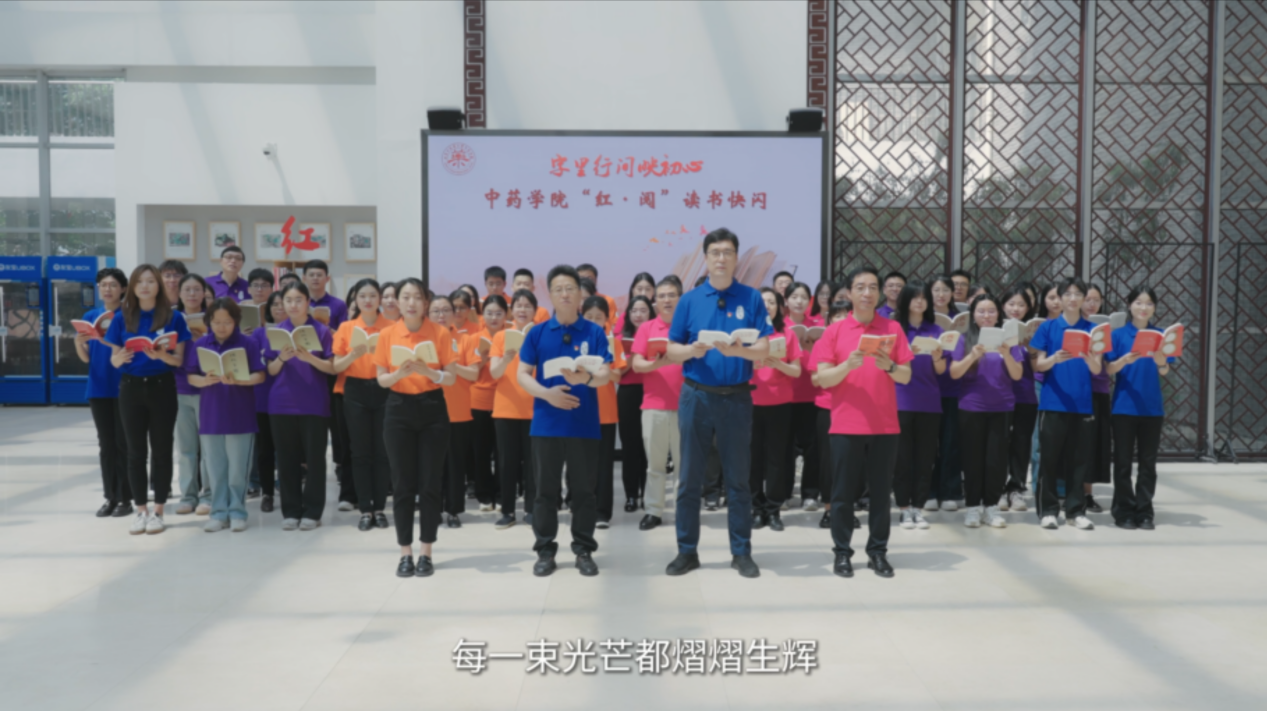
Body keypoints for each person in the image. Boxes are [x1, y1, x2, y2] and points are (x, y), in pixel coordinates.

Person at [664, 228, 773, 579]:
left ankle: (741, 552)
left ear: (736, 258)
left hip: (737, 398)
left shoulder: (751, 298)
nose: (721, 258)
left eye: (727, 252)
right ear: (706, 258)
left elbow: (764, 348)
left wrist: (738, 350)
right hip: (696, 396)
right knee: (689, 479)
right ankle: (686, 551)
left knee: (738, 480)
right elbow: (671, 350)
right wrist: (691, 350)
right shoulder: (689, 300)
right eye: (715, 252)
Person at [812, 267, 912, 578]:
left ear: (879, 293)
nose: (867, 293)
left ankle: (877, 552)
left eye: (872, 287)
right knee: (842, 494)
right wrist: (847, 365)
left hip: (884, 424)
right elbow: (821, 378)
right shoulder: (834, 331)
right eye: (860, 287)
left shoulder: (892, 328)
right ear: (850, 293)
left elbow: (906, 376)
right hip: (845, 424)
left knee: (881, 494)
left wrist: (889, 365)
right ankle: (842, 553)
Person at [515, 265, 613, 577]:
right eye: (558, 289)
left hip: (583, 423)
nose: (565, 294)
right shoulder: (537, 332)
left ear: (580, 293)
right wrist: (547, 395)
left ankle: (583, 549)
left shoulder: (594, 332)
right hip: (547, 423)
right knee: (545, 491)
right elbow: (522, 374)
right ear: (550, 294)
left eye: (570, 288)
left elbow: (605, 374)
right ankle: (545, 550)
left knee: (583, 491)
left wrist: (586, 378)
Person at [374, 278, 463, 577]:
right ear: (397, 302)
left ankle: (426, 551)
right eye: (405, 297)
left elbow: (451, 377)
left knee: (429, 483)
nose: (411, 303)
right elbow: (381, 379)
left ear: (426, 302)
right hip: (398, 409)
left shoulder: (440, 333)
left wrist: (430, 372)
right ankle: (405, 552)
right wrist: (398, 374)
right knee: (402, 483)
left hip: (432, 409)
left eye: (417, 297)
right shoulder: (387, 334)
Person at [105, 264, 193, 535]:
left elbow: (179, 360)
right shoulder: (122, 317)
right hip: (130, 389)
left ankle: (159, 511)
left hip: (162, 387)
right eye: (140, 281)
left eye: (150, 281)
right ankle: (140, 510)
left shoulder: (173, 317)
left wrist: (163, 356)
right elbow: (114, 359)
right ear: (132, 286)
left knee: (162, 450)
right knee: (135, 452)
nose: (145, 286)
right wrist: (118, 358)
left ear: (159, 286)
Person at [186, 298, 266, 532]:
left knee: (238, 469)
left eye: (227, 322)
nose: (221, 327)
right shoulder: (201, 344)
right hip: (211, 415)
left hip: (240, 415)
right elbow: (191, 376)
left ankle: (238, 512)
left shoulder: (247, 343)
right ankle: (218, 512)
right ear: (209, 322)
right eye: (216, 322)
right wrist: (205, 380)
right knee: (215, 469)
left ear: (236, 321)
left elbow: (260, 375)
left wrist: (240, 380)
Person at [1030, 277, 1102, 530]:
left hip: (1082, 403)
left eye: (1078, 294)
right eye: (1067, 294)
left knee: (1079, 461)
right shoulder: (1048, 327)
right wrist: (1054, 359)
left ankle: (1075, 511)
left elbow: (1097, 369)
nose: (1073, 299)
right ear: (1059, 299)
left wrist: (1089, 357)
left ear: (1084, 299)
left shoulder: (1093, 330)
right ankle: (1048, 511)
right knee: (1049, 459)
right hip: (1053, 402)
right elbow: (1038, 365)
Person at [264, 282, 336, 531]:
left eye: (298, 300)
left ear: (307, 302)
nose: (293, 305)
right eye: (288, 300)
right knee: (286, 460)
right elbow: (271, 370)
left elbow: (332, 367)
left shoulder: (321, 331)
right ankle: (291, 511)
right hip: (281, 403)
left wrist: (309, 358)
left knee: (315, 460)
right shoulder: (276, 331)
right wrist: (282, 358)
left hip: (314, 403)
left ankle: (313, 512)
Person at [949, 293, 1024, 529]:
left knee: (996, 460)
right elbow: (954, 373)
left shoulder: (1009, 341)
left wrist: (1006, 354)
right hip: (971, 407)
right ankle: (973, 507)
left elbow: (1017, 375)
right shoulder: (965, 340)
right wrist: (973, 355)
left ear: (999, 314)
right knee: (972, 459)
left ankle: (991, 507)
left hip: (1001, 407)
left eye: (991, 311)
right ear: (973, 315)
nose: (986, 316)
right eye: (981, 311)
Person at [1105, 285, 1172, 530]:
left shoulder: (1161, 335)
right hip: (1124, 407)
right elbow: (1108, 369)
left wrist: (1161, 361)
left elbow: (1164, 371)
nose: (1144, 308)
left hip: (1152, 409)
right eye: (1139, 302)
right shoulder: (1118, 335)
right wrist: (1123, 360)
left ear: (1154, 308)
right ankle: (1123, 511)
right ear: (1130, 304)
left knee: (1148, 464)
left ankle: (1144, 512)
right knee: (1122, 463)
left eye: (1149, 303)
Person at [332, 278, 392, 531]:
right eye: (362, 296)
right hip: (355, 390)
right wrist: (353, 355)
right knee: (359, 452)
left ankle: (380, 508)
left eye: (373, 295)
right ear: (355, 300)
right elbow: (336, 366)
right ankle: (365, 508)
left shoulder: (391, 327)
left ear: (380, 299)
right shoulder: (346, 328)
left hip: (384, 388)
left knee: (382, 452)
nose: (368, 300)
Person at [76, 267, 132, 518]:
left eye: (113, 285)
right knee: (106, 444)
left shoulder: (129, 316)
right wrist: (78, 343)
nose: (107, 289)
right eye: (103, 285)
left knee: (123, 443)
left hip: (124, 386)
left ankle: (126, 498)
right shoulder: (91, 316)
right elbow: (86, 358)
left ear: (123, 289)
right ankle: (110, 496)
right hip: (98, 387)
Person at [630, 278, 685, 531]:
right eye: (661, 296)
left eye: (671, 295)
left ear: (680, 298)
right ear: (656, 301)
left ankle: (684, 510)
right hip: (653, 406)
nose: (666, 300)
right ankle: (653, 511)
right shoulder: (647, 328)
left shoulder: (689, 327)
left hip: (686, 405)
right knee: (655, 464)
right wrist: (657, 364)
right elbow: (636, 364)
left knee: (685, 464)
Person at [892, 281, 944, 530]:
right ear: (905, 300)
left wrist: (937, 357)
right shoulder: (894, 329)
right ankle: (903, 508)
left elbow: (941, 370)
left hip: (929, 401)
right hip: (900, 399)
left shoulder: (936, 330)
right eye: (915, 297)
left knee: (925, 458)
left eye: (924, 297)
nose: (920, 301)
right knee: (902, 458)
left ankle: (918, 508)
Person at [749, 287, 802, 531]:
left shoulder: (787, 334)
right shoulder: (747, 333)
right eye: (762, 302)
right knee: (753, 459)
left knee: (777, 459)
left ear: (779, 307)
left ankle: (773, 510)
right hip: (750, 402)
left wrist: (778, 364)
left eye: (772, 302)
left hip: (780, 404)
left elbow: (796, 371)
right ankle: (756, 509)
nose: (767, 306)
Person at [303, 259, 353, 508]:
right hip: (306, 370)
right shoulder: (300, 304)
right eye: (311, 275)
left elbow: (344, 337)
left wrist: (328, 331)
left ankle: (341, 468)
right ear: (304, 278)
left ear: (327, 278)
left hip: (331, 368)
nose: (315, 278)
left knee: (337, 425)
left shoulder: (338, 305)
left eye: (319, 274)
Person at [429, 293, 481, 528]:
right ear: (428, 314)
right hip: (427, 411)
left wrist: (451, 365)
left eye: (446, 310)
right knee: (431, 465)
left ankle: (453, 510)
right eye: (436, 311)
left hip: (458, 411)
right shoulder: (422, 340)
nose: (441, 315)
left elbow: (473, 374)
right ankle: (432, 509)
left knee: (455, 464)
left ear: (453, 314)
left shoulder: (465, 340)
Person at [488, 290, 539, 528]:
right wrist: (506, 359)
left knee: (533, 463)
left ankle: (531, 508)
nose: (522, 310)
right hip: (506, 408)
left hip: (535, 408)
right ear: (512, 311)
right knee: (506, 463)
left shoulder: (540, 335)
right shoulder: (501, 337)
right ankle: (507, 510)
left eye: (527, 306)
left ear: (535, 311)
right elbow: (494, 373)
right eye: (518, 305)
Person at [581, 296, 624, 528]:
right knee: (580, 462)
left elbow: (618, 376)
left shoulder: (612, 343)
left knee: (604, 464)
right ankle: (580, 506)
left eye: (599, 317)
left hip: (605, 411)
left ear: (607, 319)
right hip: (579, 408)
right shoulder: (576, 340)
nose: (594, 321)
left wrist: (601, 367)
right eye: (589, 317)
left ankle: (602, 512)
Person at [173, 273, 212, 515]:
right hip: (178, 387)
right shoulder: (171, 319)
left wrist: (205, 338)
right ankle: (188, 496)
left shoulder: (214, 319)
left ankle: (208, 495)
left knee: (208, 447)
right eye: (187, 289)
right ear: (179, 293)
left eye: (197, 289)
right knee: (186, 448)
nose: (192, 294)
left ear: (204, 293)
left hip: (207, 389)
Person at [785, 282, 824, 511]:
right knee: (785, 447)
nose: (799, 301)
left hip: (812, 394)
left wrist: (810, 348)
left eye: (803, 297)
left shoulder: (818, 327)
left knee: (813, 448)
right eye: (794, 296)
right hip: (786, 395)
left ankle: (810, 493)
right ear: (786, 301)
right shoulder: (780, 327)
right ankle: (784, 492)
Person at [999, 287, 1036, 513]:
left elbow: (1038, 367)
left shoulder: (1033, 332)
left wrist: (1031, 349)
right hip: (999, 396)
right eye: (1011, 304)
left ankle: (1016, 488)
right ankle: (998, 488)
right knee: (999, 443)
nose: (1016, 308)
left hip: (1025, 395)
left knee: (1021, 444)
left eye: (1021, 305)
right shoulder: (994, 329)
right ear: (1003, 305)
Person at [928, 275, 963, 512]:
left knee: (951, 441)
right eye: (936, 290)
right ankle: (929, 491)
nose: (941, 295)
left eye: (945, 290)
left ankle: (950, 491)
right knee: (929, 444)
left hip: (954, 387)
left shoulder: (961, 321)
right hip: (927, 387)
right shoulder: (923, 319)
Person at [250, 290, 286, 513]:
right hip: (262, 397)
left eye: (283, 303)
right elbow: (255, 361)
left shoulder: (298, 332)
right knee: (265, 450)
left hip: (288, 399)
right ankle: (267, 493)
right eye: (275, 305)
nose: (279, 308)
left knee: (286, 449)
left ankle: (287, 489)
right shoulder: (258, 333)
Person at [617, 294, 655, 511]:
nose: (638, 315)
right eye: (634, 311)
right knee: (630, 446)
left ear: (651, 313)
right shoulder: (621, 338)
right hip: (629, 392)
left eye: (643, 310)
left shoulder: (657, 335)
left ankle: (648, 495)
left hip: (653, 391)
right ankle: (631, 495)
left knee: (649, 446)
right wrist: (633, 356)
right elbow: (618, 373)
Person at [470, 294, 506, 512]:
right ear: (482, 315)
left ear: (506, 315)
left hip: (504, 400)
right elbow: (469, 373)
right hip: (478, 400)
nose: (494, 317)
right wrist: (482, 360)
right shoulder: (474, 339)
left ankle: (502, 493)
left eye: (499, 313)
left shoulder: (511, 337)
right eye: (489, 313)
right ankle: (484, 494)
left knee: (503, 452)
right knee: (481, 452)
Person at [1080, 283, 1113, 512]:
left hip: (1098, 390)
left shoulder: (1104, 330)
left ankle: (1087, 494)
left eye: (1096, 300)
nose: (1092, 304)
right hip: (1074, 389)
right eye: (1088, 299)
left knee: (1091, 444)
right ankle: (1068, 492)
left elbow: (1109, 362)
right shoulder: (1069, 327)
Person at [242, 268, 275, 337]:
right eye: (255, 285)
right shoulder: (241, 307)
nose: (259, 289)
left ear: (271, 290)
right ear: (249, 289)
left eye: (264, 286)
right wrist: (242, 336)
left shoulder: (276, 308)